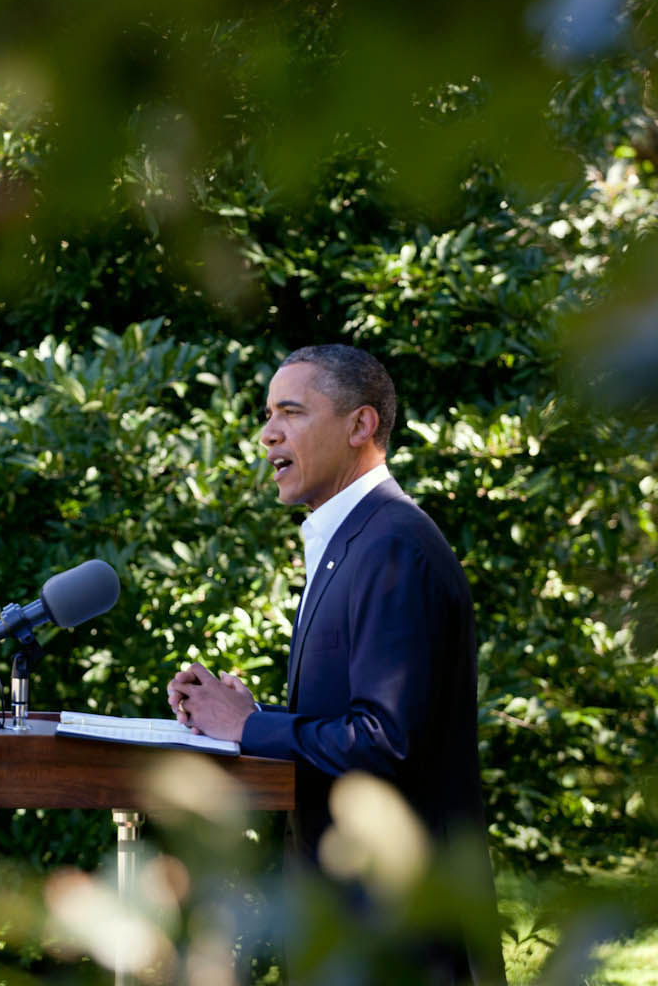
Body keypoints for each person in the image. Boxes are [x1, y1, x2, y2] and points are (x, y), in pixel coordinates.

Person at [166, 344, 501, 984]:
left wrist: (247, 728)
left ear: (360, 425)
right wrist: (247, 716)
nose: (267, 433)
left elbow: (385, 741)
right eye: (267, 414)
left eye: (290, 411)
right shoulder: (353, 539)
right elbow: (355, 722)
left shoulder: (393, 544)